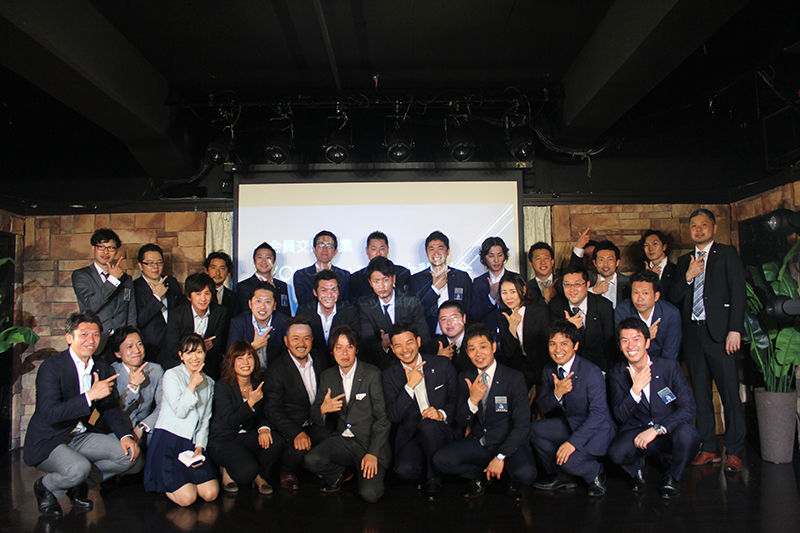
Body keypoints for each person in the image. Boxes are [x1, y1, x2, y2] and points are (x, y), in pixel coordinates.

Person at [24, 311, 140, 517]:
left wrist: (125, 436)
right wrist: (89, 396)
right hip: (50, 439)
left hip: (80, 434)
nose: (91, 340)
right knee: (79, 468)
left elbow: (109, 407)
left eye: (95, 335)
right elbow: (50, 413)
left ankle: (76, 484)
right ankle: (46, 486)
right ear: (69, 338)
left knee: (131, 458)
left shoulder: (100, 366)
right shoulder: (52, 367)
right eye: (84, 334)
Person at [669, 208, 747, 472]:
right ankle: (709, 447)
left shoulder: (727, 254)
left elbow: (738, 293)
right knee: (700, 395)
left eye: (703, 224)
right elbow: (674, 296)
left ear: (713, 227)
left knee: (729, 394)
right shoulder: (684, 261)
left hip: (721, 336)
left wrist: (734, 330)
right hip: (693, 335)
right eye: (694, 225)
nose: (698, 229)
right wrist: (688, 276)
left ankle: (734, 451)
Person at [432, 323, 536, 501]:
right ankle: (483, 475)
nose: (478, 354)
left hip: (508, 442)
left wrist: (501, 456)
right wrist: (472, 401)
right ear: (467, 352)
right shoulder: (465, 377)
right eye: (472, 349)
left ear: (493, 347)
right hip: (481, 441)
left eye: (483, 347)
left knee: (526, 474)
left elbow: (522, 425)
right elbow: (461, 420)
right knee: (440, 460)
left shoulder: (514, 377)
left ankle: (508, 475)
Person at [607, 318, 700, 499]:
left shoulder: (669, 366)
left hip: (668, 428)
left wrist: (658, 429)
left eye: (636, 339)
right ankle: (637, 469)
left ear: (647, 342)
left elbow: (688, 408)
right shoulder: (617, 373)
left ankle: (673, 476)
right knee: (616, 453)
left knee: (688, 436)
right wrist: (635, 390)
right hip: (638, 429)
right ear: (619, 346)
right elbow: (619, 415)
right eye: (625, 340)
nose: (631, 346)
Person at [304, 325, 391, 503]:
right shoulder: (328, 375)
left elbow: (383, 418)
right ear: (332, 351)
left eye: (349, 347)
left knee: (370, 495)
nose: (344, 353)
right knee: (311, 460)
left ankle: (363, 469)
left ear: (356, 349)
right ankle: (341, 473)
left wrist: (373, 453)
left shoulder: (371, 374)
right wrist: (323, 409)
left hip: (368, 443)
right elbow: (314, 414)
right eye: (339, 347)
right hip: (342, 439)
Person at [530, 320, 616, 497]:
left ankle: (595, 473)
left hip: (596, 430)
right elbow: (543, 406)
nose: (557, 349)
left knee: (569, 461)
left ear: (575, 346)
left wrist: (572, 443)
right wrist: (557, 394)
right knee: (534, 430)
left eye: (564, 343)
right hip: (569, 423)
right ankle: (562, 476)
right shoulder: (549, 369)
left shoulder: (591, 372)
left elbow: (599, 415)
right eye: (552, 344)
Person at [381, 322, 458, 501]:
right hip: (412, 434)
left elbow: (455, 399)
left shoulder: (442, 364)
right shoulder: (388, 375)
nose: (405, 350)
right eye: (398, 345)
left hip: (441, 429)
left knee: (429, 425)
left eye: (409, 342)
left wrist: (441, 413)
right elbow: (394, 415)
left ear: (418, 341)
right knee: (404, 470)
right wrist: (409, 386)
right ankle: (435, 464)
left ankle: (433, 479)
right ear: (392, 348)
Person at [144, 334, 218, 506]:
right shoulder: (172, 375)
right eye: (189, 353)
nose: (194, 357)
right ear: (181, 355)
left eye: (199, 352)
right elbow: (180, 411)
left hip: (192, 444)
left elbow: (205, 420)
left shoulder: (209, 382)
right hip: (169, 439)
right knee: (187, 499)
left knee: (211, 494)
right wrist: (192, 385)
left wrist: (200, 446)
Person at [206, 342, 285, 495]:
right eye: (240, 358)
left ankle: (259, 476)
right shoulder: (222, 386)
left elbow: (266, 413)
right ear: (232, 362)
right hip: (224, 440)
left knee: (276, 442)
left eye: (249, 357)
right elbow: (229, 421)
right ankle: (227, 469)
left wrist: (264, 428)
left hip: (246, 436)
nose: (245, 362)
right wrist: (249, 403)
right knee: (246, 473)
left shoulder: (258, 384)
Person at [265, 316, 331, 490]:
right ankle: (287, 471)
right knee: (297, 451)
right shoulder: (276, 369)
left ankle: (324, 469)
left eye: (306, 338)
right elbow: (272, 409)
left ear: (312, 340)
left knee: (336, 440)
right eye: (296, 338)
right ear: (286, 341)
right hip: (294, 426)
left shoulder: (320, 358)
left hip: (318, 421)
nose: (301, 343)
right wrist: (295, 433)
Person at [72, 228, 137, 356]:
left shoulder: (126, 279)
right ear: (93, 248)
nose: (106, 252)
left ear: (116, 251)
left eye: (111, 248)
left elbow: (131, 313)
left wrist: (131, 338)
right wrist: (112, 280)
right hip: (95, 341)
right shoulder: (81, 275)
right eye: (101, 247)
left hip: (121, 342)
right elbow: (91, 306)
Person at [358, 256, 430, 369]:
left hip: (412, 358)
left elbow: (423, 335)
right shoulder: (365, 306)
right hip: (382, 363)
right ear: (370, 283)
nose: (382, 286)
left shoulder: (411, 300)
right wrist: (384, 344)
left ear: (394, 279)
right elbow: (367, 345)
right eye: (376, 281)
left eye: (385, 280)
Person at [163, 273, 229, 380]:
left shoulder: (220, 312)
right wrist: (200, 346)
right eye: (198, 294)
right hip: (180, 364)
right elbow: (173, 348)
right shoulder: (177, 314)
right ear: (189, 296)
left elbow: (217, 344)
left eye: (207, 293)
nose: (203, 299)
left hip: (208, 364)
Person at [548, 266, 615, 372]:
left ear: (587, 285)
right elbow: (552, 341)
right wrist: (568, 327)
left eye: (577, 284)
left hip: (598, 366)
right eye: (567, 285)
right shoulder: (555, 306)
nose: (572, 289)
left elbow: (609, 342)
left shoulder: (604, 306)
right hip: (568, 366)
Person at [110, 326, 164, 451]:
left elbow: (164, 405)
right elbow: (114, 412)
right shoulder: (111, 373)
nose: (137, 350)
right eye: (129, 346)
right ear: (117, 353)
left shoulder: (155, 370)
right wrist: (132, 387)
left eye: (139, 344)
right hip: (118, 431)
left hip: (146, 429)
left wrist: (143, 426)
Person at [409, 231, 473, 336]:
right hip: (429, 337)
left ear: (448, 251)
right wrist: (435, 289)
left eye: (440, 248)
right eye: (431, 249)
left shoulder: (461, 277)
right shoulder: (416, 280)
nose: (436, 253)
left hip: (458, 336)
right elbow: (415, 312)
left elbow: (469, 310)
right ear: (426, 252)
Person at [497, 272, 550, 389]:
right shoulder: (503, 315)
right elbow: (508, 353)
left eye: (513, 292)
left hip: (542, 371)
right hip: (519, 373)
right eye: (504, 293)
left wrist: (537, 382)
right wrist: (512, 328)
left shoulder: (540, 312)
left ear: (524, 290)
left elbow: (545, 350)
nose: (508, 297)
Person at [614, 270, 681, 359]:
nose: (639, 298)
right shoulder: (623, 311)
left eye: (645, 293)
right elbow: (622, 348)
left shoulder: (670, 314)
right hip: (630, 361)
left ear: (656, 296)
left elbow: (670, 353)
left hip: (661, 363)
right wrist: (645, 337)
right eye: (636, 293)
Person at [134, 244, 183, 363]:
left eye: (159, 262)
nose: (155, 267)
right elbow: (138, 320)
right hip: (151, 349)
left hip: (174, 346)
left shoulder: (171, 282)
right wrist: (156, 297)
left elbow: (181, 310)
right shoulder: (135, 287)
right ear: (140, 266)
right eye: (150, 263)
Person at [296, 270, 360, 357]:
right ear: (315, 292)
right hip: (313, 360)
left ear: (338, 292)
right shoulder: (304, 311)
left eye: (333, 290)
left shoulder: (350, 311)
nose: (329, 295)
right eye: (324, 290)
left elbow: (354, 343)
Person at [227, 281, 288, 369]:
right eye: (258, 301)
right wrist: (253, 347)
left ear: (274, 305)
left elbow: (287, 358)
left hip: (275, 373)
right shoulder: (238, 323)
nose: (262, 307)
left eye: (267, 302)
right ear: (250, 304)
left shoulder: (284, 323)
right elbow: (231, 356)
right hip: (246, 372)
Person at [470, 237, 517, 338]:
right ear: (484, 258)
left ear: (505, 256)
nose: (496, 260)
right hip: (487, 336)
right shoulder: (478, 282)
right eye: (491, 256)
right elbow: (474, 313)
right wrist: (491, 297)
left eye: (500, 255)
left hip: (512, 334)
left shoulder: (516, 279)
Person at [293, 230, 351, 308]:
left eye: (329, 245)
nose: (325, 249)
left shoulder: (344, 275)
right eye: (321, 245)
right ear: (314, 249)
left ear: (335, 251)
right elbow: (302, 302)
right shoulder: (301, 275)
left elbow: (345, 303)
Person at [349, 231, 412, 302]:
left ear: (387, 250)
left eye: (382, 249)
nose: (378, 253)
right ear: (367, 251)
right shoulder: (356, 278)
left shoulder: (403, 273)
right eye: (374, 249)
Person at [236, 242, 291, 317]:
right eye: (260, 257)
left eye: (268, 257)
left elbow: (286, 313)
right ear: (254, 261)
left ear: (274, 261)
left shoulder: (281, 285)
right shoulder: (243, 286)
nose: (264, 261)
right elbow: (246, 312)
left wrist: (274, 291)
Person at [424, 300, 473, 374]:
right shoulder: (432, 346)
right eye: (444, 319)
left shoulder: (476, 340)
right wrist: (438, 361)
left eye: (454, 317)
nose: (449, 323)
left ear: (464, 318)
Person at [589, 240, 631, 309]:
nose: (606, 264)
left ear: (617, 262)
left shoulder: (628, 283)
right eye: (601, 260)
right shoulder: (587, 279)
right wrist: (593, 291)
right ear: (595, 263)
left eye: (610, 259)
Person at [641, 230, 677, 303]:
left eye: (655, 244)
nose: (650, 249)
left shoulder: (676, 270)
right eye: (646, 245)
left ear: (664, 247)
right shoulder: (641, 272)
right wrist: (648, 277)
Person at [204, 251, 241, 319]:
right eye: (213, 268)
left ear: (228, 273)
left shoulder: (234, 298)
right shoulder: (198, 295)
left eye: (222, 268)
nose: (217, 273)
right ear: (206, 271)